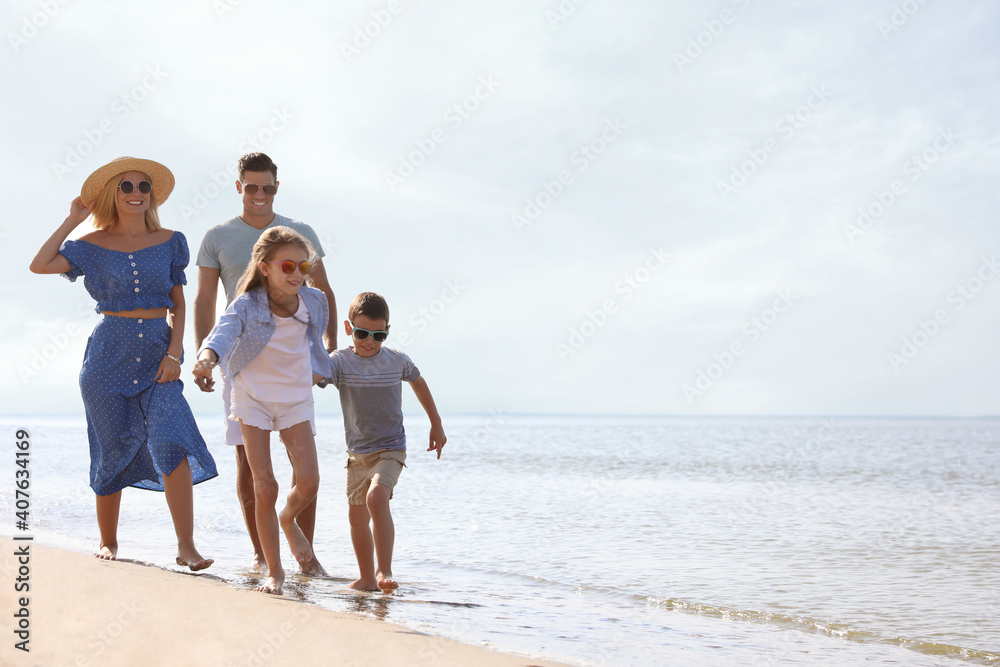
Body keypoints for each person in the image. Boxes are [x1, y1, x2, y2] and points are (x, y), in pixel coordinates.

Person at [29, 156, 217, 570]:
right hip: (105, 359)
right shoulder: (90, 246)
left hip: (158, 356)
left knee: (172, 438)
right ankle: (108, 541)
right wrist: (71, 220)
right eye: (126, 187)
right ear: (113, 194)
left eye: (143, 187)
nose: (136, 193)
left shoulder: (171, 240)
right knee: (110, 447)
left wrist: (175, 353)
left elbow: (179, 303)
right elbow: (40, 265)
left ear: (151, 195)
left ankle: (186, 546)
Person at [193, 152, 336, 574]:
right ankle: (262, 554)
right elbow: (205, 300)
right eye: (251, 186)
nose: (259, 194)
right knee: (250, 465)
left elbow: (321, 293)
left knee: (301, 467)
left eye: (267, 187)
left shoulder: (300, 233)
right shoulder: (217, 236)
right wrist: (207, 355)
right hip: (239, 362)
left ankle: (303, 552)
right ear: (239, 187)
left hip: (293, 367)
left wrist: (323, 356)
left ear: (277, 187)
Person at [328, 292, 446, 591]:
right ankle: (367, 578)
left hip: (391, 448)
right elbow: (312, 376)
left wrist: (436, 423)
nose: (369, 341)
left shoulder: (396, 361)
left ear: (387, 331)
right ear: (348, 327)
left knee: (376, 498)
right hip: (357, 454)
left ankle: (385, 571)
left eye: (378, 335)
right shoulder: (339, 362)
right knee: (356, 518)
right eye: (362, 333)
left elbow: (418, 382)